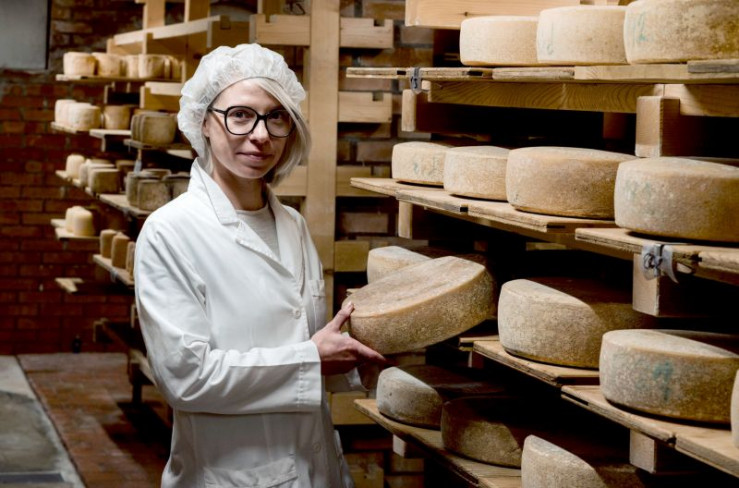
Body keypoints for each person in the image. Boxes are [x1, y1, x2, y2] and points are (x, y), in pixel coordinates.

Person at [134, 43, 385, 488]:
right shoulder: (170, 232)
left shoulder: (292, 224)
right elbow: (186, 379)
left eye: (276, 117)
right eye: (240, 115)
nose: (261, 134)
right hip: (229, 474)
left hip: (315, 466)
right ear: (204, 122)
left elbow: (304, 343)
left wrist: (356, 360)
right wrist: (310, 359)